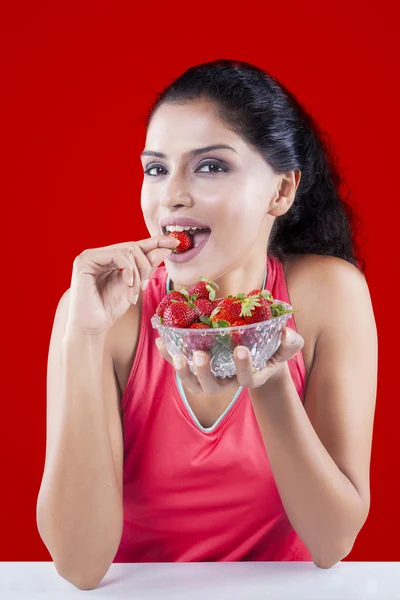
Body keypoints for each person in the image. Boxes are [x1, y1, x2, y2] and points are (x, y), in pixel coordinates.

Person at [36, 58, 377, 590]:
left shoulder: (329, 295)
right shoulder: (104, 312)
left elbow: (331, 542)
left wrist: (268, 384)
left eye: (210, 166)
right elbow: (80, 567)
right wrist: (84, 337)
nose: (170, 194)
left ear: (282, 191)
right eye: (155, 168)